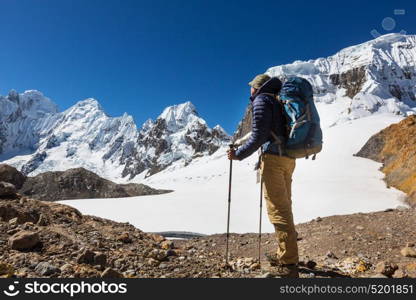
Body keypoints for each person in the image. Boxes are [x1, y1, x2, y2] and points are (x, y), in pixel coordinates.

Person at [227, 74, 299, 278]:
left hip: (274, 160)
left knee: (278, 210)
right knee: (285, 206)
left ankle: (289, 264)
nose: (249, 90)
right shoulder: (278, 100)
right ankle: (284, 253)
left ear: (257, 88)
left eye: (251, 87)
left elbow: (259, 135)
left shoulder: (261, 101)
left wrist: (238, 154)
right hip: (288, 158)